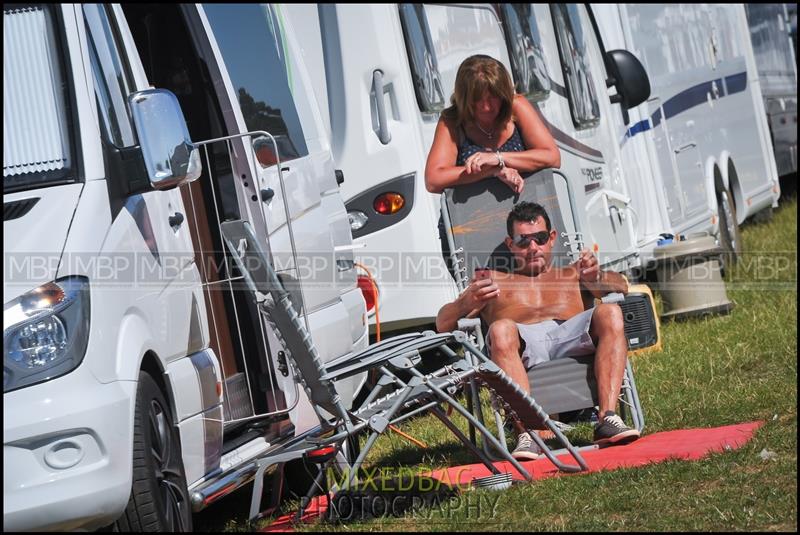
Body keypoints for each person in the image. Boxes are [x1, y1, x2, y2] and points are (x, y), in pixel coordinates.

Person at [435, 201, 641, 460]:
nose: (533, 248)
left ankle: (608, 419)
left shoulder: (574, 273)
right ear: (511, 244)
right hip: (521, 345)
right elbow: (443, 322)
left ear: (552, 238)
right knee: (500, 329)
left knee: (610, 311)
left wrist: (597, 278)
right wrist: (466, 303)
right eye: (523, 241)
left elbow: (622, 284)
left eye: (540, 238)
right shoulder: (493, 281)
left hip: (573, 336)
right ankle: (528, 432)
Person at [424, 54, 560, 195]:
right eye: (477, 99)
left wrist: (498, 158)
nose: (486, 107)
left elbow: (552, 157)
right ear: (464, 98)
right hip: (472, 214)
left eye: (493, 97)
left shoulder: (517, 106)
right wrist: (493, 171)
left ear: (503, 94)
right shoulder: (451, 120)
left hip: (525, 210)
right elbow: (433, 180)